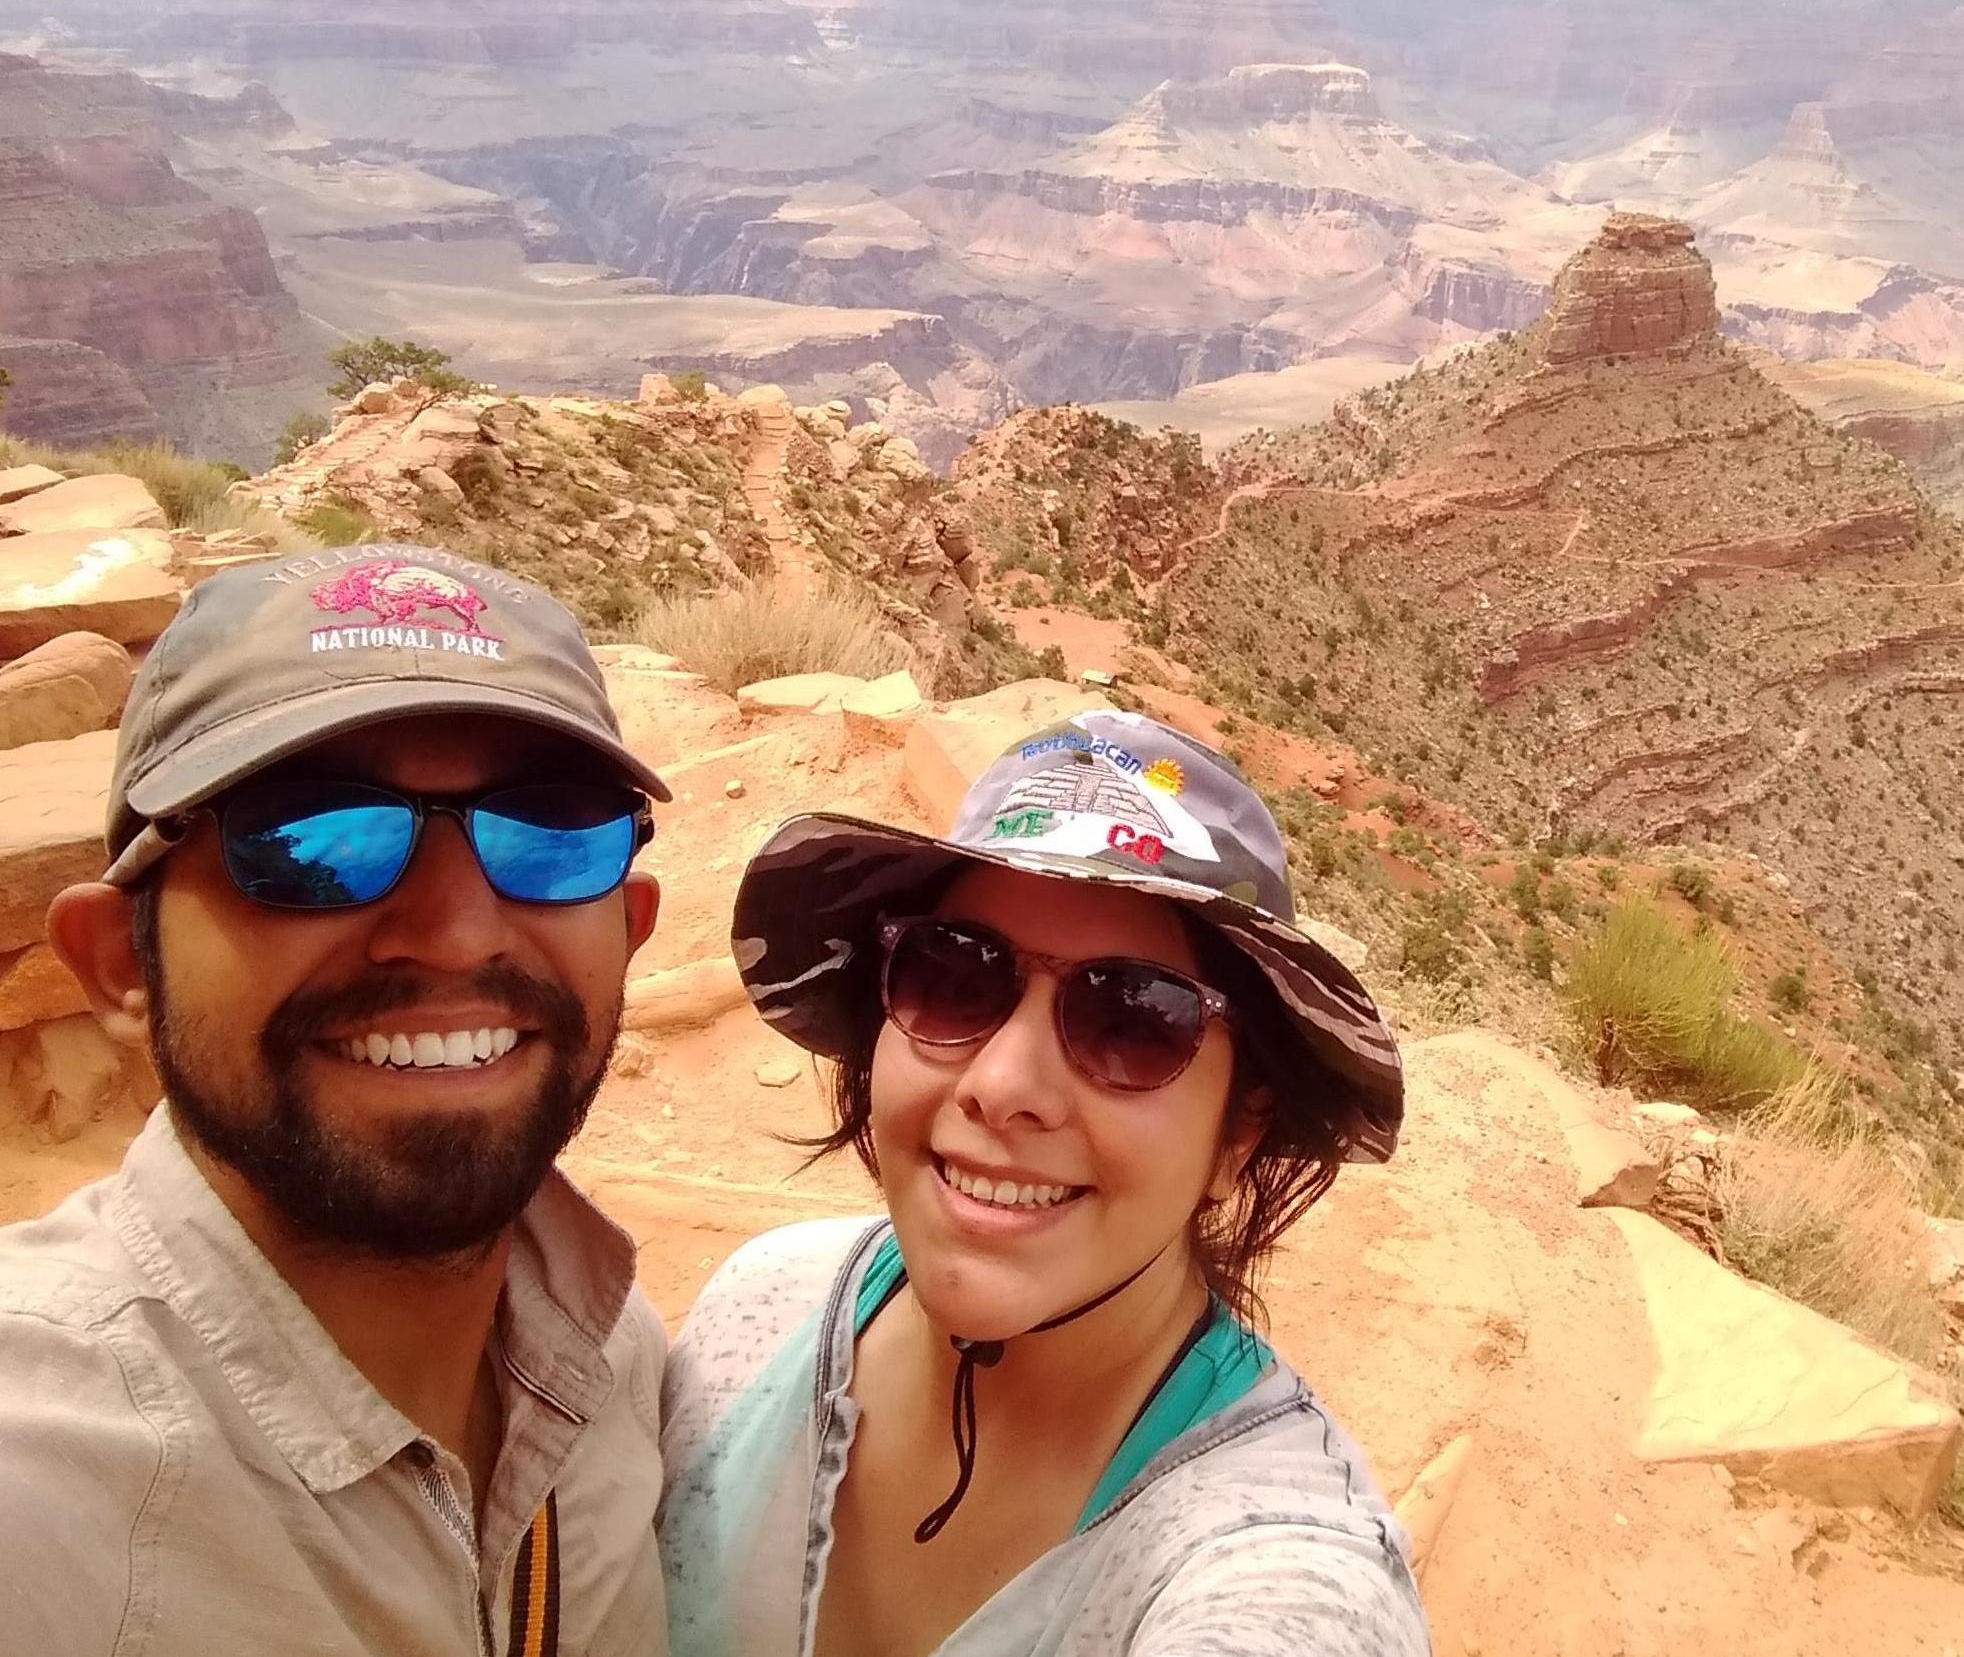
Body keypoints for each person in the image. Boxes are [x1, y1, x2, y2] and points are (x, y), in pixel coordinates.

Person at [0, 544, 673, 1656]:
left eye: (549, 834)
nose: (455, 931)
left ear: (629, 930)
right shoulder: (38, 1483)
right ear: (120, 960)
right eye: (307, 837)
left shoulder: (612, 1360)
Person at [659, 709, 1429, 1657]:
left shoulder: (1282, 1571)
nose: (1001, 1085)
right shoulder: (762, 1307)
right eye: (953, 976)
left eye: (1133, 1021)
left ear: (1238, 1132)